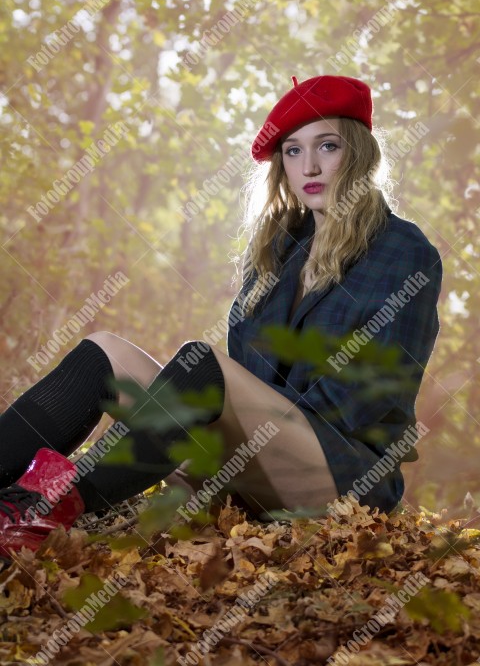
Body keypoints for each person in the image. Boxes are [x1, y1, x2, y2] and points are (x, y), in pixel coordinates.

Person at [0, 74, 442, 559]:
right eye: (293, 151)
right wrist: (192, 431)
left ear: (357, 153)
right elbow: (242, 379)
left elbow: (368, 400)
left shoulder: (404, 251)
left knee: (198, 363)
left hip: (339, 477)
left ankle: (46, 509)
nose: (309, 165)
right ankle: (14, 500)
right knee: (105, 351)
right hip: (253, 458)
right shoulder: (280, 248)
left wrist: (210, 434)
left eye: (327, 146)